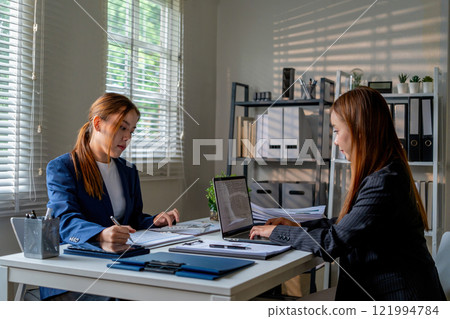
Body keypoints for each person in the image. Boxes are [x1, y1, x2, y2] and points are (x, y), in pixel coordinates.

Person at [250, 87, 446, 301]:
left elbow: (331, 244)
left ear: (360, 130)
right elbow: (349, 225)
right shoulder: (388, 171)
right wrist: (297, 226)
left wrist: (275, 233)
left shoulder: (384, 182)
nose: (335, 141)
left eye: (336, 131)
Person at [42, 93, 180, 300]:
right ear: (98, 123)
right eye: (122, 127)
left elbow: (131, 219)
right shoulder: (63, 167)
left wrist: (154, 221)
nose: (128, 137)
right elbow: (65, 221)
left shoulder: (128, 171)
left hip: (117, 268)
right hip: (75, 277)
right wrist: (102, 234)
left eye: (132, 130)